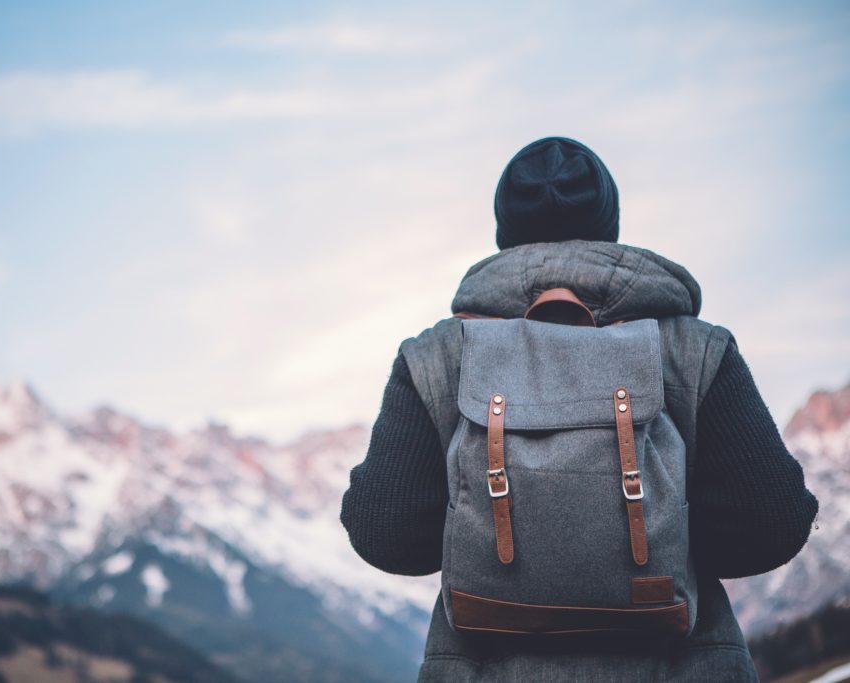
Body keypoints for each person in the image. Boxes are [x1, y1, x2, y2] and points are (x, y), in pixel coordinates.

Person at [340, 136, 819, 682]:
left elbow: (386, 535)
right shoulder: (694, 349)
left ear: (503, 235)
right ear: (609, 228)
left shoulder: (437, 358)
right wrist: (657, 538)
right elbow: (773, 525)